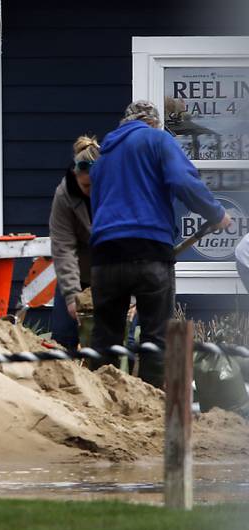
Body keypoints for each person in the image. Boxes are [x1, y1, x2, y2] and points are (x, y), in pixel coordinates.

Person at [89, 100, 231, 388]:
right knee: (156, 337)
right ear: (152, 122)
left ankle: (100, 406)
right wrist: (215, 214)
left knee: (106, 339)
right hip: (149, 251)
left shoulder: (102, 157)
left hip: (104, 256)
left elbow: (97, 205)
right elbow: (183, 180)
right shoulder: (157, 138)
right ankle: (153, 407)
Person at [49, 135, 98, 350]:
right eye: (85, 185)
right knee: (63, 337)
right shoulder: (64, 195)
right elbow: (63, 247)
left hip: (111, 272)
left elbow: (127, 244)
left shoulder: (116, 190)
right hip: (76, 269)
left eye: (95, 184)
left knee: (114, 341)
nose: (90, 191)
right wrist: (71, 296)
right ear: (75, 175)